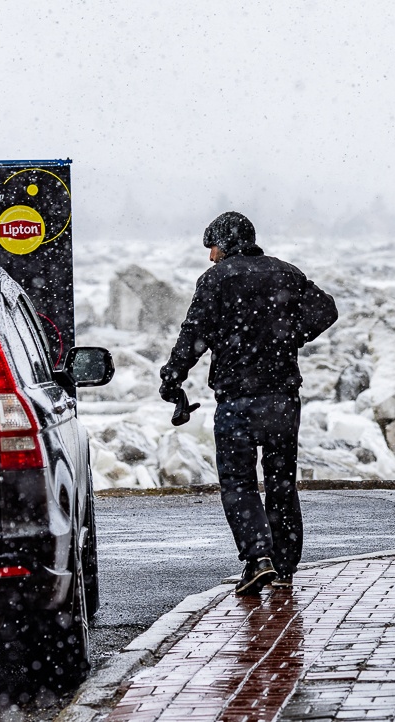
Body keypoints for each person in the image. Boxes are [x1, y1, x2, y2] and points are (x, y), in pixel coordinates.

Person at [159, 212, 337, 595]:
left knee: (238, 483)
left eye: (213, 247)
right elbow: (327, 311)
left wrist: (172, 375)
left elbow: (194, 334)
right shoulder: (286, 273)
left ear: (226, 243)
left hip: (237, 399)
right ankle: (285, 566)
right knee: (281, 482)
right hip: (283, 399)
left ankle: (259, 558)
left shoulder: (215, 280)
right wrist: (289, 336)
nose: (210, 257)